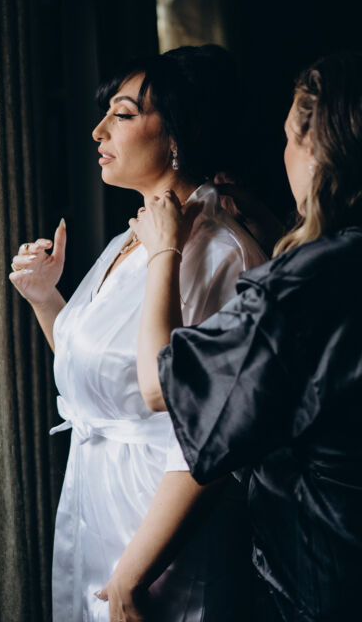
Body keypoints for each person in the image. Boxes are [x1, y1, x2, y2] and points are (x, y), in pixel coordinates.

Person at [9, 45, 266, 622]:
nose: (98, 129)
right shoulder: (132, 237)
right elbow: (106, 381)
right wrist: (46, 298)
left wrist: (133, 574)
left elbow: (212, 437)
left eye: (122, 114)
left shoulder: (219, 255)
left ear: (177, 136)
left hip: (158, 535)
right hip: (94, 506)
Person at [132, 51, 362, 621]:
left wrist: (164, 250)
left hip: (327, 572)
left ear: (318, 149)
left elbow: (160, 385)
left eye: (288, 138)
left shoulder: (296, 284)